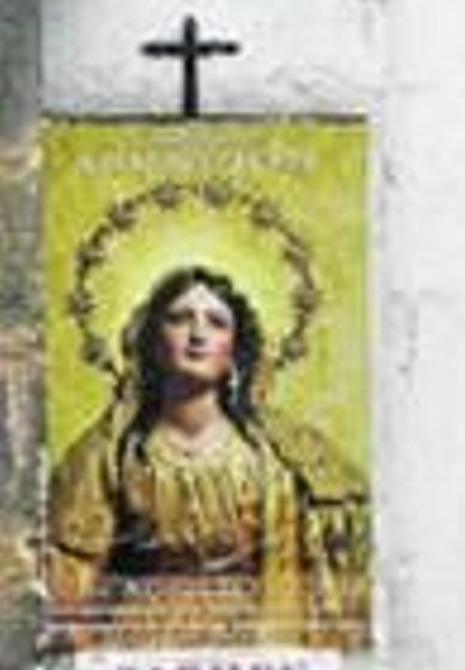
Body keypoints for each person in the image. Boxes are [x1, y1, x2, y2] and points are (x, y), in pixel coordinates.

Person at [48, 263, 370, 649]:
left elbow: (323, 573)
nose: (198, 334)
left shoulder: (281, 458)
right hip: (138, 654)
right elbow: (71, 578)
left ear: (235, 352)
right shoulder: (111, 453)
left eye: (216, 323)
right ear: (152, 341)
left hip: (256, 648)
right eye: (180, 319)